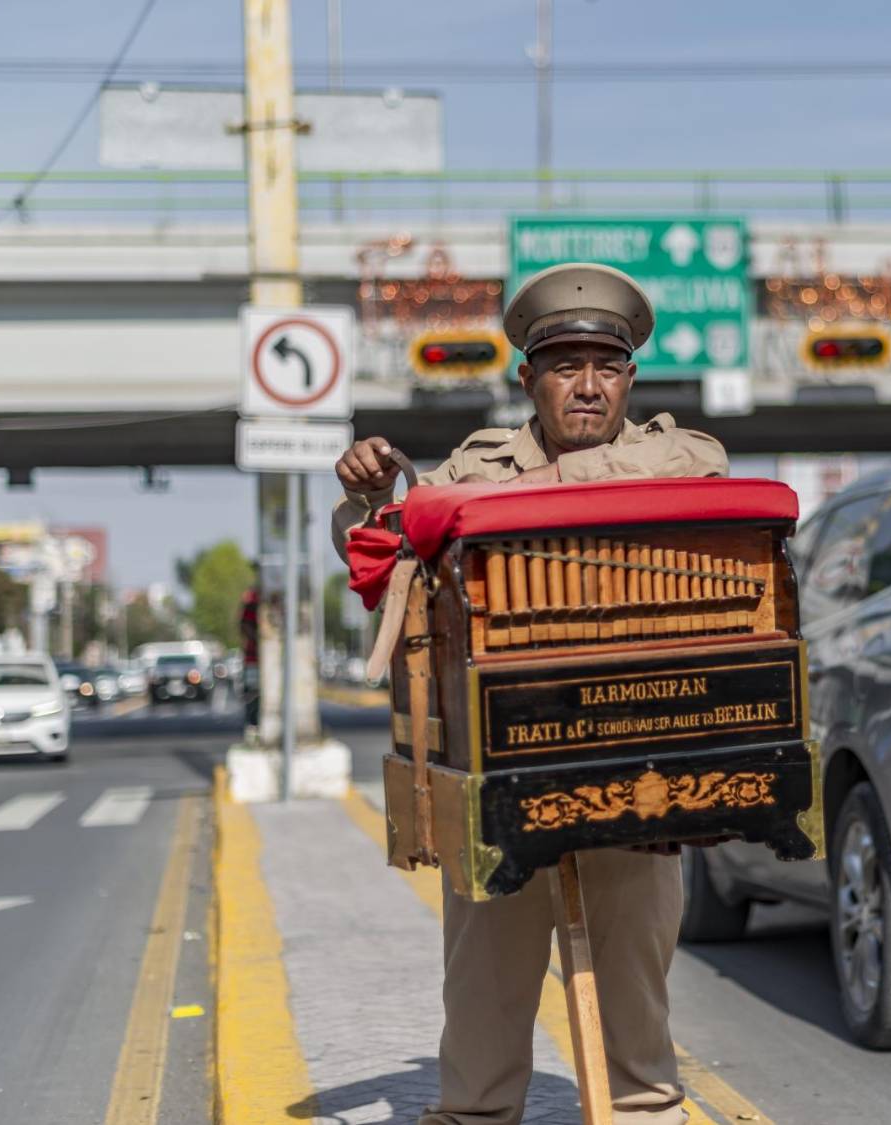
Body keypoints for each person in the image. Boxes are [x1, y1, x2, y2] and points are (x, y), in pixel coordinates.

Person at [331, 263, 726, 1125]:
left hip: (638, 766)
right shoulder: (474, 463)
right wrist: (367, 497)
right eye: (563, 366)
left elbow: (690, 493)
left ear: (628, 378)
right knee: (482, 996)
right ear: (528, 379)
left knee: (636, 1009)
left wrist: (474, 504)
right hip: (499, 767)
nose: (586, 386)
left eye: (605, 367)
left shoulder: (679, 454)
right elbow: (388, 547)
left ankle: (644, 1113)